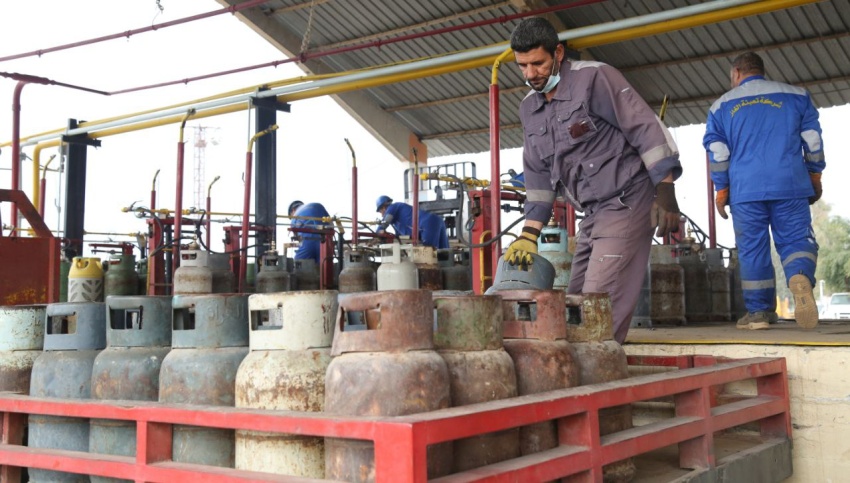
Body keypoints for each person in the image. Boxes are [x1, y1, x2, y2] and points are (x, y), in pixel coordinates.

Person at [504, 17, 683, 344]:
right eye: (522, 66)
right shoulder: (529, 109)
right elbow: (538, 177)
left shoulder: (594, 78)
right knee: (574, 303)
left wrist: (666, 189)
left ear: (558, 53)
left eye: (538, 63)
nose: (530, 74)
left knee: (597, 306)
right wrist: (528, 236)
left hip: (628, 199)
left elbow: (644, 128)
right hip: (592, 213)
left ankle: (599, 367)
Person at [703, 52, 823, 331]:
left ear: (736, 73)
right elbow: (813, 140)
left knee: (752, 250)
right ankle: (800, 276)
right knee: (796, 239)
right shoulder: (796, 96)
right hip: (790, 184)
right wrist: (815, 173)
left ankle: (758, 313)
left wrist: (722, 189)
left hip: (745, 190)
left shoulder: (721, 106)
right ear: (760, 70)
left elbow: (718, 152)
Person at [375, 195, 449, 249]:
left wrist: (377, 233)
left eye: (380, 212)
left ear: (383, 207)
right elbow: (399, 237)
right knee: (445, 253)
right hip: (436, 221)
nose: (382, 215)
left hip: (427, 224)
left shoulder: (392, 207)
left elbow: (385, 222)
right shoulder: (396, 223)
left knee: (428, 253)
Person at [288, 200, 331, 265]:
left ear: (293, 210)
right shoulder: (318, 205)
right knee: (324, 266)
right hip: (324, 242)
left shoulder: (295, 215)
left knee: (298, 265)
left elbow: (296, 236)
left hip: (307, 243)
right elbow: (331, 225)